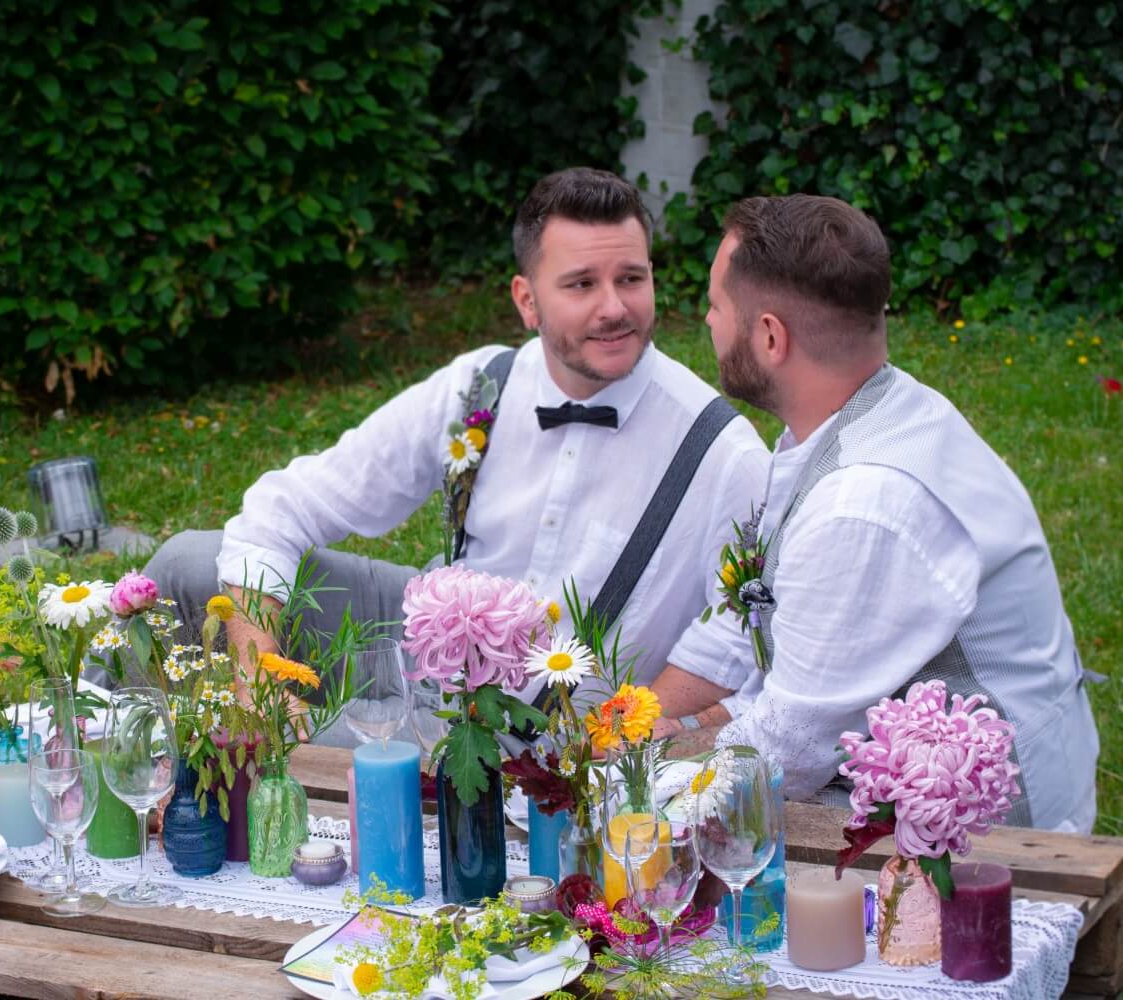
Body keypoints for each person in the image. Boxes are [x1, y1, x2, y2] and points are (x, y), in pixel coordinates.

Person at [134, 167, 769, 741]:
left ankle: (210, 778)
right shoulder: (481, 386)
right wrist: (260, 678)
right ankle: (148, 768)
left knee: (338, 771)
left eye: (631, 278)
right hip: (420, 646)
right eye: (581, 284)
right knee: (184, 564)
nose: (615, 308)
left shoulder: (720, 453)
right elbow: (285, 505)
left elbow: (751, 650)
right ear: (527, 300)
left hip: (543, 738)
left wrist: (629, 738)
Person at [650, 194, 1098, 831]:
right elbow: (776, 636)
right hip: (915, 772)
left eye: (717, 306)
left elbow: (786, 756)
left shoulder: (861, 502)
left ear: (771, 336)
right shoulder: (871, 412)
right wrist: (679, 728)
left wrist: (649, 775)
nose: (707, 319)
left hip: (996, 843)